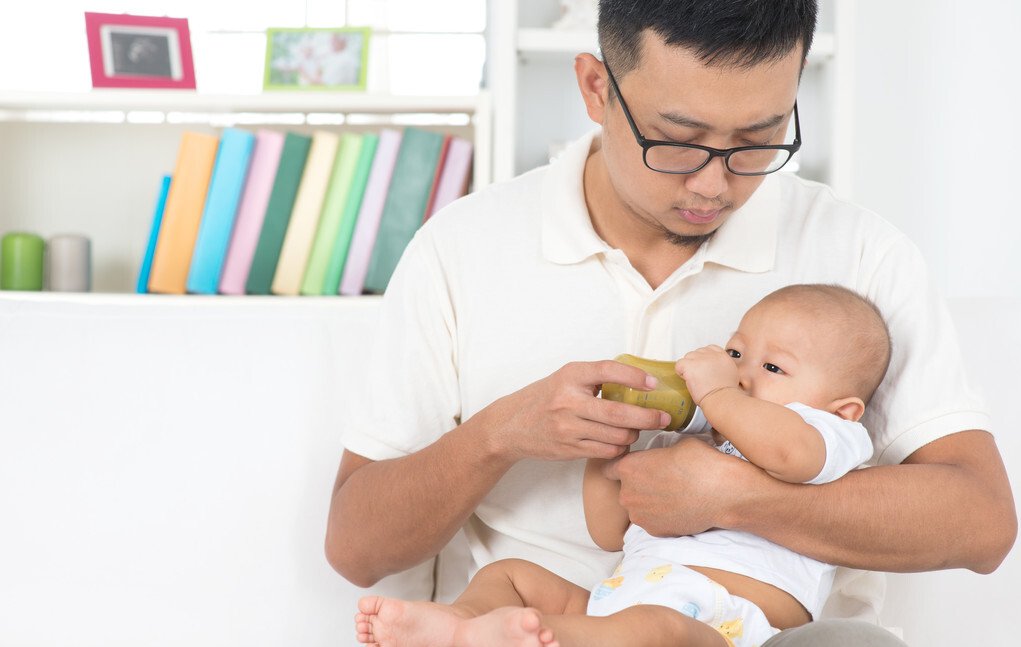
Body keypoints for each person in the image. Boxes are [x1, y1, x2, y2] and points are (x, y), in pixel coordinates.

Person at [326, 1, 1017, 644]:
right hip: (538, 620)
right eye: (677, 141)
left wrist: (736, 497)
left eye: (759, 139)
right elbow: (356, 549)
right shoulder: (460, 247)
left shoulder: (860, 255)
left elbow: (982, 523)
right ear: (596, 88)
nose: (714, 185)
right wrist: (500, 434)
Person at [353, 284, 890, 647]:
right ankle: (463, 627)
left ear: (842, 408)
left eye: (772, 367)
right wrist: (609, 450)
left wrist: (719, 392)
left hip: (723, 627)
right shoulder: (690, 441)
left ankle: (526, 639)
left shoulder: (826, 435)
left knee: (659, 629)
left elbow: (789, 456)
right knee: (509, 574)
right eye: (734, 354)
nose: (742, 373)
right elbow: (610, 530)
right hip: (619, 606)